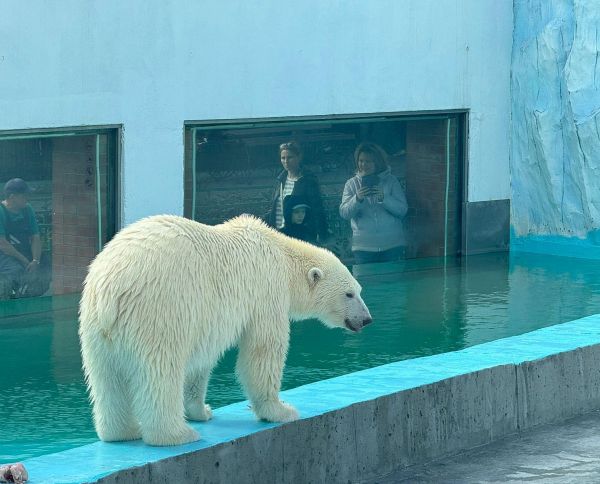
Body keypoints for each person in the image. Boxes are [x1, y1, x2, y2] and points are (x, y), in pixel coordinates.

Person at [339, 142, 408, 264]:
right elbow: (344, 213)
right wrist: (357, 199)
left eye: (368, 161)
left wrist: (384, 198)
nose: (364, 165)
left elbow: (402, 210)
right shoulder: (351, 184)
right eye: (361, 161)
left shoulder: (391, 181)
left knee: (392, 282)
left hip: (392, 245)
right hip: (363, 247)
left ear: (377, 162)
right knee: (366, 282)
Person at [264, 141, 329, 244]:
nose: (286, 161)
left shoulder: (308, 180)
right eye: (283, 158)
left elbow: (317, 208)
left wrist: (321, 234)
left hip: (300, 235)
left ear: (299, 157)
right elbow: (277, 207)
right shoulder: (281, 179)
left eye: (290, 157)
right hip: (280, 233)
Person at [0, 178, 50, 298]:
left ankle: (27, 296)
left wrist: (36, 261)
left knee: (46, 268)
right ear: (12, 197)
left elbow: (35, 237)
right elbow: (2, 244)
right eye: (24, 195)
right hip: (5, 254)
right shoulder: (1, 211)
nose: (28, 197)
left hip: (25, 252)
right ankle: (7, 296)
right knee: (15, 271)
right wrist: (25, 261)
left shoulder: (28, 209)